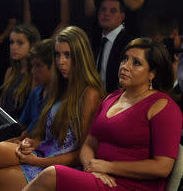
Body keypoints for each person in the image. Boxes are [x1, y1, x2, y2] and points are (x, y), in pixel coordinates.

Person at [24, 38, 182, 191]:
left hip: (130, 185)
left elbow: (162, 166)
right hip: (98, 176)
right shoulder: (112, 97)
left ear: (152, 73)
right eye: (125, 59)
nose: (125, 66)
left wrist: (109, 166)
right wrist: (92, 167)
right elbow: (88, 144)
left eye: (136, 63)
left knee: (52, 174)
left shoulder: (163, 106)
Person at [0, 26, 106, 191]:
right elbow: (49, 137)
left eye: (68, 55)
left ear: (81, 57)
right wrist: (31, 143)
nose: (61, 62)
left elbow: (81, 153)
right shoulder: (61, 87)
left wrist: (38, 162)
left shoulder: (90, 94)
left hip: (59, 167)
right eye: (57, 55)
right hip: (42, 153)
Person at [0, 24, 41, 120]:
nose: (13, 47)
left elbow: (34, 115)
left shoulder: (35, 75)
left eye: (20, 43)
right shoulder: (10, 72)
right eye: (12, 42)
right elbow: (1, 105)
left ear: (32, 45)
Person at [93, 0, 132, 93]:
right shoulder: (91, 39)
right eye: (103, 9)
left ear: (121, 17)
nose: (106, 13)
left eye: (113, 11)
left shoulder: (129, 44)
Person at [18, 39, 54, 136]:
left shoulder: (59, 97)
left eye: (38, 65)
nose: (33, 71)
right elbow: (21, 125)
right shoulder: (36, 93)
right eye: (32, 66)